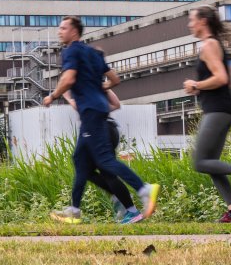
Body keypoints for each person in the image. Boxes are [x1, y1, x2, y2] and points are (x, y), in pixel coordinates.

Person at [44, 16, 160, 224]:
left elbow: (68, 79)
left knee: (105, 161)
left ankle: (144, 189)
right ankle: (74, 210)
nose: (59, 31)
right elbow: (114, 79)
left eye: (63, 28)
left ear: (74, 31)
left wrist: (52, 96)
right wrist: (98, 89)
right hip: (97, 111)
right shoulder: (93, 53)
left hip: (91, 112)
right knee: (80, 159)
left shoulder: (71, 50)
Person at [182, 5, 231, 223]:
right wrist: (206, 88)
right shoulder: (217, 45)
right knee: (211, 163)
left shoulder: (209, 45)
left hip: (216, 110)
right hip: (222, 109)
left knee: (200, 162)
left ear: (203, 21)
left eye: (192, 20)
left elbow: (222, 78)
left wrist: (196, 84)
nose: (190, 24)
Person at [63, 88, 140, 223]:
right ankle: (126, 205)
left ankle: (131, 208)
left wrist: (68, 97)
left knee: (86, 167)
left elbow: (81, 107)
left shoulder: (83, 83)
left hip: (97, 131)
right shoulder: (97, 84)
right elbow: (116, 104)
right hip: (110, 128)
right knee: (90, 171)